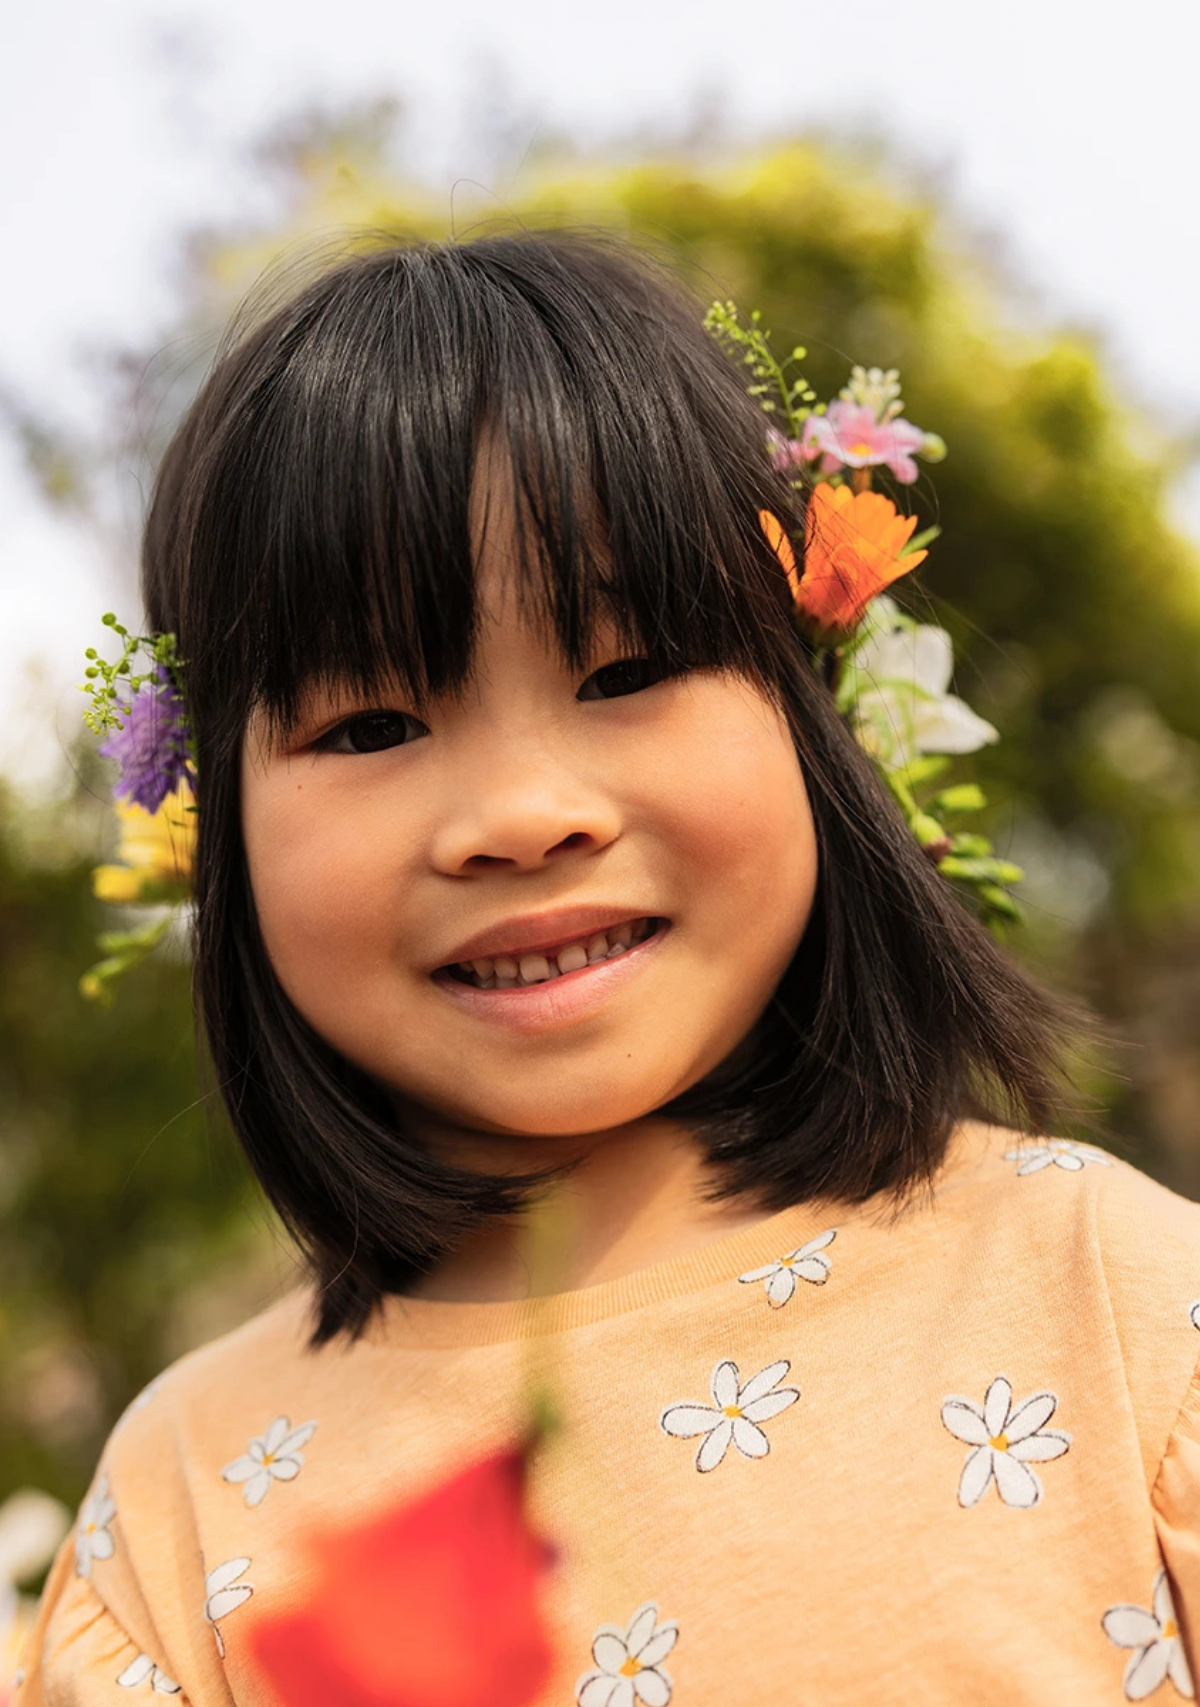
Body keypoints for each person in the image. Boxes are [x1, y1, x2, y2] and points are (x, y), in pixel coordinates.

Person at [21, 232, 1200, 1705]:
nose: (523, 816)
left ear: (809, 712)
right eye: (370, 725)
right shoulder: (184, 1503)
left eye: (626, 674)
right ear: (220, 826)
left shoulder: (1120, 1302)